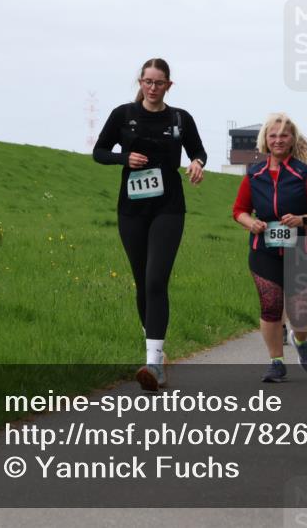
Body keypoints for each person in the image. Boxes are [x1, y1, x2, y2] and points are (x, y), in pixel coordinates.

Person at [93, 58, 207, 391]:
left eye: (159, 83)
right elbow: (99, 151)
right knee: (142, 282)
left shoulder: (180, 118)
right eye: (147, 81)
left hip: (168, 206)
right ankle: (156, 350)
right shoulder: (123, 115)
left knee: (157, 279)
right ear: (140, 82)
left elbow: (198, 151)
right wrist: (123, 158)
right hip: (131, 208)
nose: (152, 88)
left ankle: (153, 364)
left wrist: (197, 164)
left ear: (169, 85)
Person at [232, 113, 307, 382]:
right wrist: (251, 223)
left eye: (283, 136)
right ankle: (276, 361)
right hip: (264, 251)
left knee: (299, 312)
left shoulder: (304, 174)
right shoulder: (254, 174)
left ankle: (301, 341)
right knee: (271, 305)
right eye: (273, 135)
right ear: (265, 139)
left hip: (300, 252)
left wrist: (302, 219)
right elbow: (238, 210)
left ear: (292, 140)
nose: (278, 140)